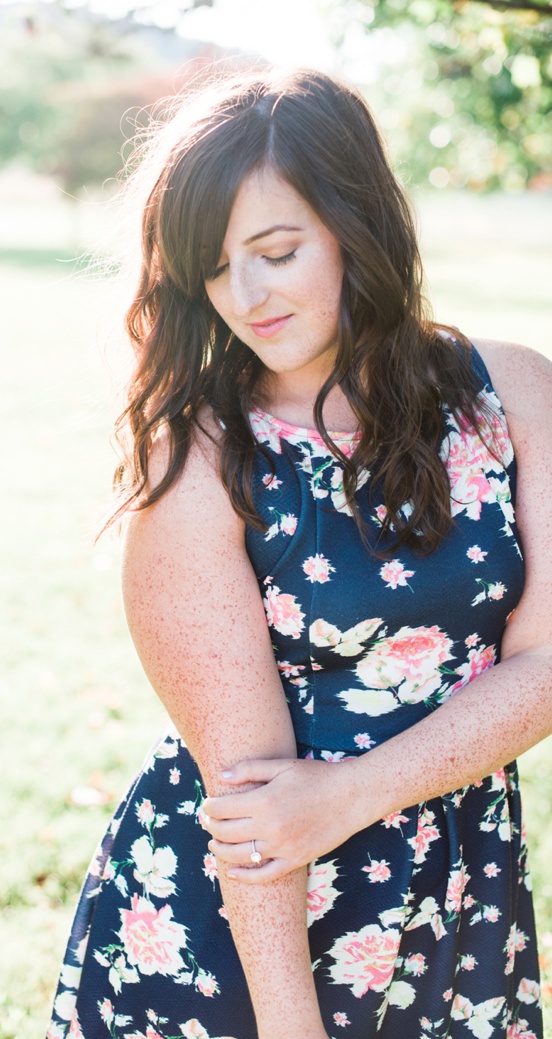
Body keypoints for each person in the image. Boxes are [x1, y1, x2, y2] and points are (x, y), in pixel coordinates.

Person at [46, 68, 552, 1039]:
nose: (242, 295)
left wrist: (354, 793)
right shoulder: (200, 450)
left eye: (275, 251)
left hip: (451, 885)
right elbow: (251, 805)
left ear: (356, 224)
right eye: (212, 265)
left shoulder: (516, 396)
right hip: (241, 927)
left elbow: (547, 660)